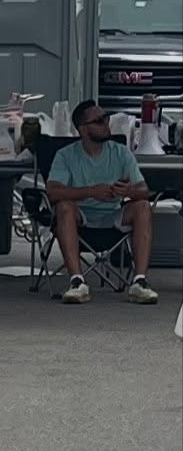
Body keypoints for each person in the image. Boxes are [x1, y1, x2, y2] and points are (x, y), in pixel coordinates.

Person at [46, 99, 157, 305]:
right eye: (99, 121)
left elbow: (143, 189)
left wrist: (128, 191)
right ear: (82, 129)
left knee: (143, 205)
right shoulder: (66, 155)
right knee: (63, 206)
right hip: (80, 216)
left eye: (106, 118)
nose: (106, 123)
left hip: (114, 214)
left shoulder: (121, 152)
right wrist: (91, 192)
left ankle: (140, 281)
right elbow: (52, 191)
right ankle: (77, 281)